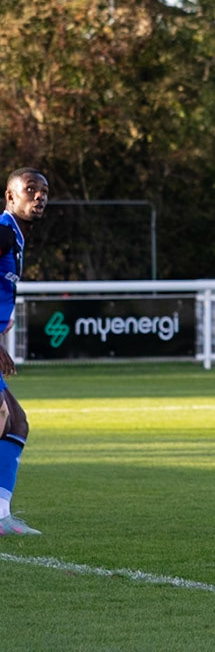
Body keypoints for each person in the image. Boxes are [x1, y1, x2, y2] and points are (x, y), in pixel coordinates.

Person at [0, 168, 48, 536]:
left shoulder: (15, 238)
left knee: (16, 423)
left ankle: (1, 517)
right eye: (30, 190)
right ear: (10, 197)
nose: (39, 196)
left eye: (43, 192)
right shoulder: (2, 232)